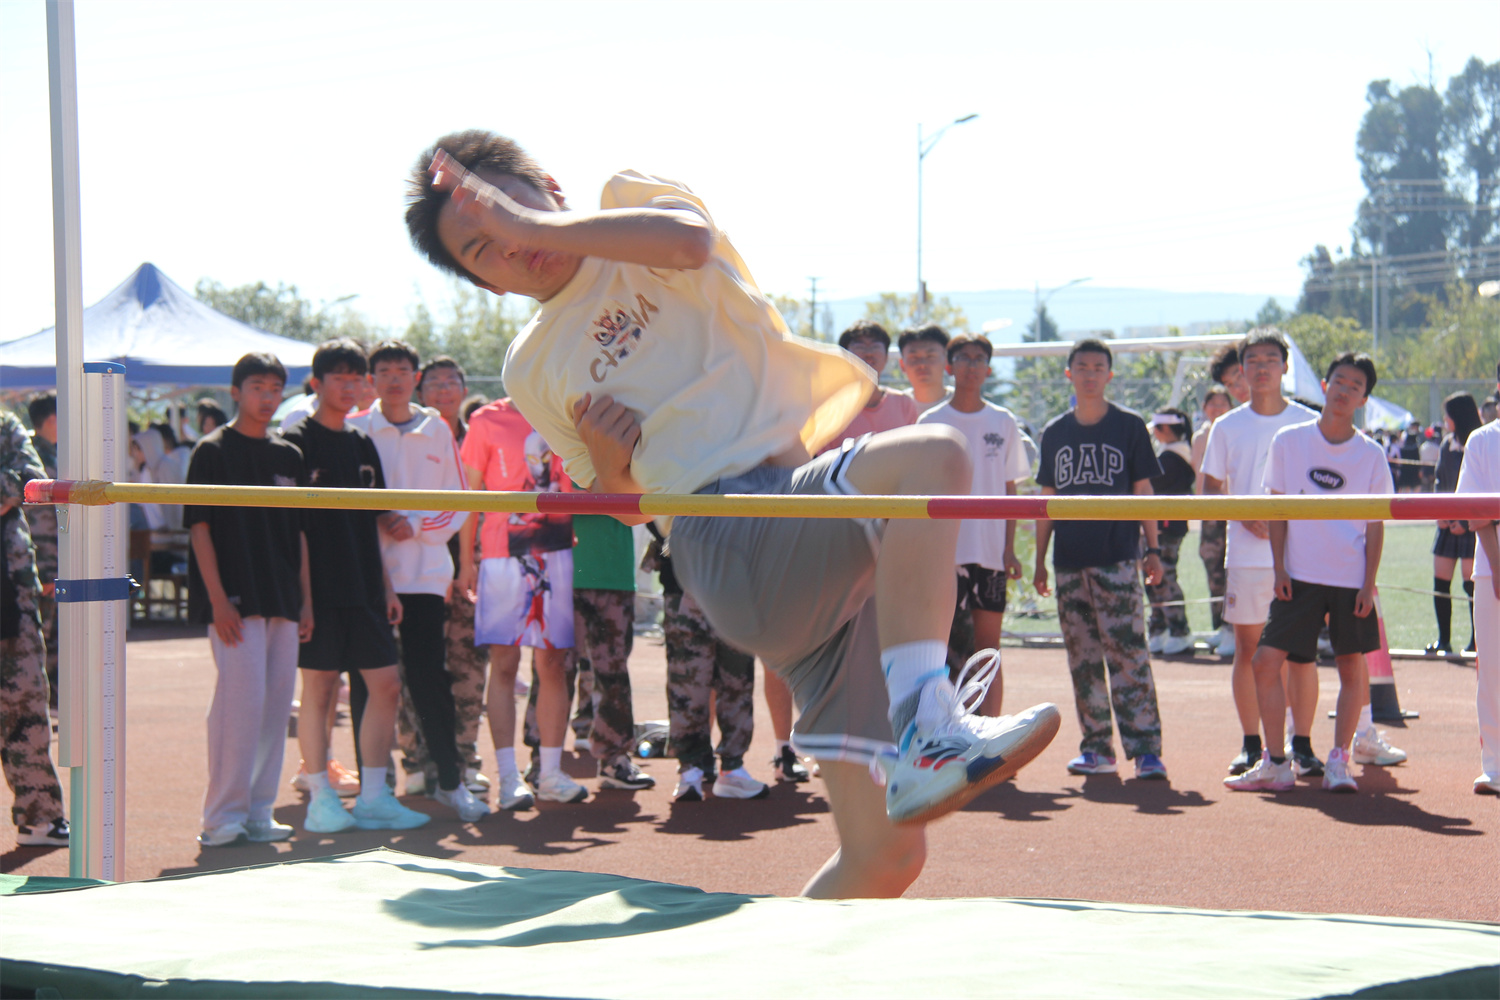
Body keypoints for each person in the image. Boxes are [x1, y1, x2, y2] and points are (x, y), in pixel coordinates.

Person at [405, 131, 1059, 899]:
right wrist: (607, 459)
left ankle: (908, 760)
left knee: (885, 859)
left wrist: (528, 225)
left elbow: (690, 242)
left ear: (549, 185)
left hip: (811, 549)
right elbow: (615, 508)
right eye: (487, 249)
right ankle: (931, 724)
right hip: (728, 538)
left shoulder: (626, 204)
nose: (515, 248)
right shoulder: (531, 361)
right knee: (935, 458)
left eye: (510, 212)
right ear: (482, 284)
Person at [1225, 352, 1393, 794]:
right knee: (1265, 662)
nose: (1343, 391)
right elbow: (1277, 509)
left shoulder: (1371, 455)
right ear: (1324, 384)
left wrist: (1367, 582)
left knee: (1351, 669)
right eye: (1339, 381)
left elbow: (1375, 527)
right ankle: (1276, 761)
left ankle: (1339, 760)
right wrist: (1279, 566)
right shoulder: (1290, 440)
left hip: (1348, 577)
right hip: (1298, 575)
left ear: (1363, 398)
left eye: (1354, 386)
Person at [281, 338, 429, 833]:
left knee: (386, 684)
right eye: (338, 378)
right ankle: (320, 793)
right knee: (320, 688)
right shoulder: (296, 441)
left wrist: (386, 586)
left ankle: (372, 796)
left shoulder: (361, 442)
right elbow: (294, 528)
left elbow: (372, 522)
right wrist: (302, 597)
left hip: (366, 583)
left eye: (355, 378)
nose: (349, 387)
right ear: (316, 384)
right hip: (318, 589)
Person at [348, 341, 488, 823]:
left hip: (426, 575)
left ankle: (450, 780)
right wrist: (386, 523)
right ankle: (375, 786)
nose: (393, 378)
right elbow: (348, 501)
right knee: (368, 682)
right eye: (383, 371)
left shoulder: (436, 429)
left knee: (430, 678)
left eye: (402, 370)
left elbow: (458, 498)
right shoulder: (356, 428)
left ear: (414, 377)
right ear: (372, 380)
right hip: (369, 575)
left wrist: (417, 525)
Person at [186, 353, 313, 846]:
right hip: (235, 602)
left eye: (275, 388)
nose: (267, 397)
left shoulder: (289, 456)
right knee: (239, 704)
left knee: (276, 707)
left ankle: (260, 809)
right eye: (258, 386)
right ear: (236, 391)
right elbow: (199, 528)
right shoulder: (212, 451)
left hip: (283, 597)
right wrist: (218, 599)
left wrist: (306, 600)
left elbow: (299, 534)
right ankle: (222, 816)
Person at [1033, 339, 1168, 780]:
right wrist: (1039, 559)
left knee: (1129, 654)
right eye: (1082, 366)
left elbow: (1144, 492)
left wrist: (1153, 549)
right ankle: (1097, 748)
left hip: (1117, 559)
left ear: (1110, 375)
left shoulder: (1129, 427)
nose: (1090, 373)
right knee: (1083, 658)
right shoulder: (1055, 433)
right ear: (1069, 374)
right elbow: (1046, 501)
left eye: (1098, 367)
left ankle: (1146, 749)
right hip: (1070, 561)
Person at [1199, 329, 1322, 777]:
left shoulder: (1309, 422)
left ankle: (1301, 743)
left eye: (1272, 358)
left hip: (1302, 555)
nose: (1263, 367)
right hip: (1248, 556)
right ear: (1243, 369)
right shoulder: (1227, 426)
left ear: (1285, 367)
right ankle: (1252, 743)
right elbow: (1209, 488)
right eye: (1254, 360)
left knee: (1299, 651)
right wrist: (1242, 510)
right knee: (1250, 647)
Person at [459, 396, 585, 808]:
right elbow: (469, 494)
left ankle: (549, 773)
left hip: (557, 552)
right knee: (505, 663)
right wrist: (466, 561)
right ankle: (508, 777)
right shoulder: (487, 419)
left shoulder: (566, 410)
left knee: (553, 663)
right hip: (501, 556)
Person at [917, 333, 1030, 714]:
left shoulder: (1003, 420)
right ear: (949, 366)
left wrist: (1010, 547)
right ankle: (946, 736)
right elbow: (918, 491)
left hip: (990, 555)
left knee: (987, 650)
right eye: (963, 358)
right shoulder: (931, 421)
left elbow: (1010, 487)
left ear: (989, 368)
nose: (971, 365)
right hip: (943, 556)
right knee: (942, 650)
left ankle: (991, 737)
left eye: (979, 359)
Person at [400, 356, 491, 796]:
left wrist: (471, 565)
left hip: (470, 573)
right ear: (420, 392)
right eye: (433, 383)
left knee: (469, 666)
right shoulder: (415, 437)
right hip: (421, 573)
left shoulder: (480, 438)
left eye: (451, 382)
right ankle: (419, 758)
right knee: (415, 668)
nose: (443, 390)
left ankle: (465, 758)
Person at [645, 528, 767, 801]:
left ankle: (733, 769)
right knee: (686, 684)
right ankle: (690, 769)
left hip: (735, 583)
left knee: (737, 679)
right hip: (683, 582)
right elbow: (654, 512)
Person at [1, 410, 69, 847]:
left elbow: (30, 478)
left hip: (9, 587)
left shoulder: (4, 425)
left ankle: (40, 815)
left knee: (25, 696)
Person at [1455, 363, 1500, 795]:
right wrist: (1498, 566)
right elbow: (1477, 511)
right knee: (1494, 667)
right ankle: (1496, 765)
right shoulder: (1484, 439)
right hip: (1493, 566)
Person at [1429, 392, 1483, 655]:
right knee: (1440, 581)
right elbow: (1440, 481)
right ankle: (1444, 640)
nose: (1444, 419)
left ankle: (1476, 641)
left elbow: (1480, 484)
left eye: (1448, 414)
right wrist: (1441, 513)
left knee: (1471, 583)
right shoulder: (1446, 444)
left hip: (1473, 524)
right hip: (1447, 523)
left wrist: (1464, 520)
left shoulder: (1479, 442)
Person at [1146, 408, 1196, 656]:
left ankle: (1179, 630)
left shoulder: (1171, 459)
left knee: (1164, 576)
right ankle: (1159, 629)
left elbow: (1150, 485)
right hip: (1164, 525)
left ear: (1164, 430)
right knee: (1155, 578)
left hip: (1166, 526)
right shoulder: (1171, 456)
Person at [22, 393, 59, 707]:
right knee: (41, 635)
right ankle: (38, 704)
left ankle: (51, 702)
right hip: (42, 563)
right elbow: (39, 518)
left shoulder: (51, 453)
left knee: (56, 637)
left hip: (54, 563)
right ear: (51, 419)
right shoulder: (33, 458)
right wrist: (46, 568)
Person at [1192, 386, 1234, 656]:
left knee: (1235, 569)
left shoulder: (1234, 429)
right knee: (1212, 566)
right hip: (1209, 511)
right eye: (1212, 403)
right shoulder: (1199, 438)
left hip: (1235, 510)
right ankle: (1219, 626)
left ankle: (1233, 627)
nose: (1217, 408)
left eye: (1223, 403)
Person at [897, 324, 952, 411]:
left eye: (930, 357)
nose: (922, 364)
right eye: (914, 358)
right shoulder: (894, 407)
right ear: (902, 364)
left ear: (947, 360)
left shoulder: (965, 405)